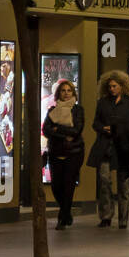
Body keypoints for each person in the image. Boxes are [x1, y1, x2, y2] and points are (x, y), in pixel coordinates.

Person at [88, 70, 129, 229]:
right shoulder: (103, 102)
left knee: (124, 185)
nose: (112, 89)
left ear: (122, 86)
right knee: (104, 181)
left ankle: (123, 219)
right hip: (106, 147)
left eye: (114, 86)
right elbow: (95, 123)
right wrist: (103, 128)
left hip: (124, 147)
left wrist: (120, 128)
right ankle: (106, 216)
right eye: (109, 86)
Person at [42, 79, 85, 229]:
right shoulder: (52, 110)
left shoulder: (78, 110)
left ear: (73, 93)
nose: (66, 93)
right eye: (63, 90)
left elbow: (76, 131)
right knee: (56, 186)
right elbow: (46, 130)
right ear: (58, 93)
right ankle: (66, 212)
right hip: (55, 152)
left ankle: (62, 218)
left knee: (68, 185)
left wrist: (56, 130)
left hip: (74, 152)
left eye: (69, 91)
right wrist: (61, 133)